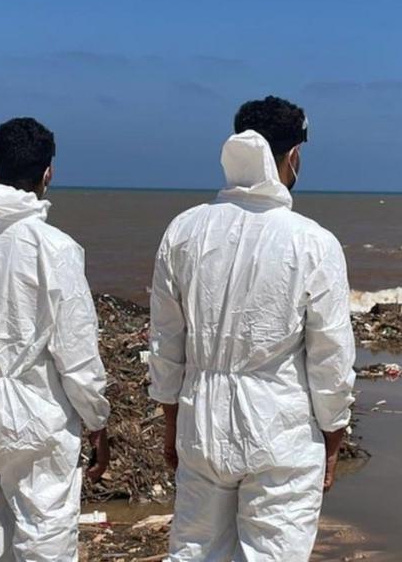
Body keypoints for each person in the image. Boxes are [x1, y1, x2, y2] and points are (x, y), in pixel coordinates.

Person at [149, 96, 356, 561]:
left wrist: (171, 422)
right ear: (293, 157)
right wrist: (334, 434)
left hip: (201, 419)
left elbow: (165, 344)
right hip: (279, 429)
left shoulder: (183, 231)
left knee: (194, 551)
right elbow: (330, 359)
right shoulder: (313, 243)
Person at [0, 117, 111, 561]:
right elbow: (76, 353)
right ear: (48, 174)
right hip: (40, 409)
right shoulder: (55, 247)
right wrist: (96, 419)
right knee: (45, 530)